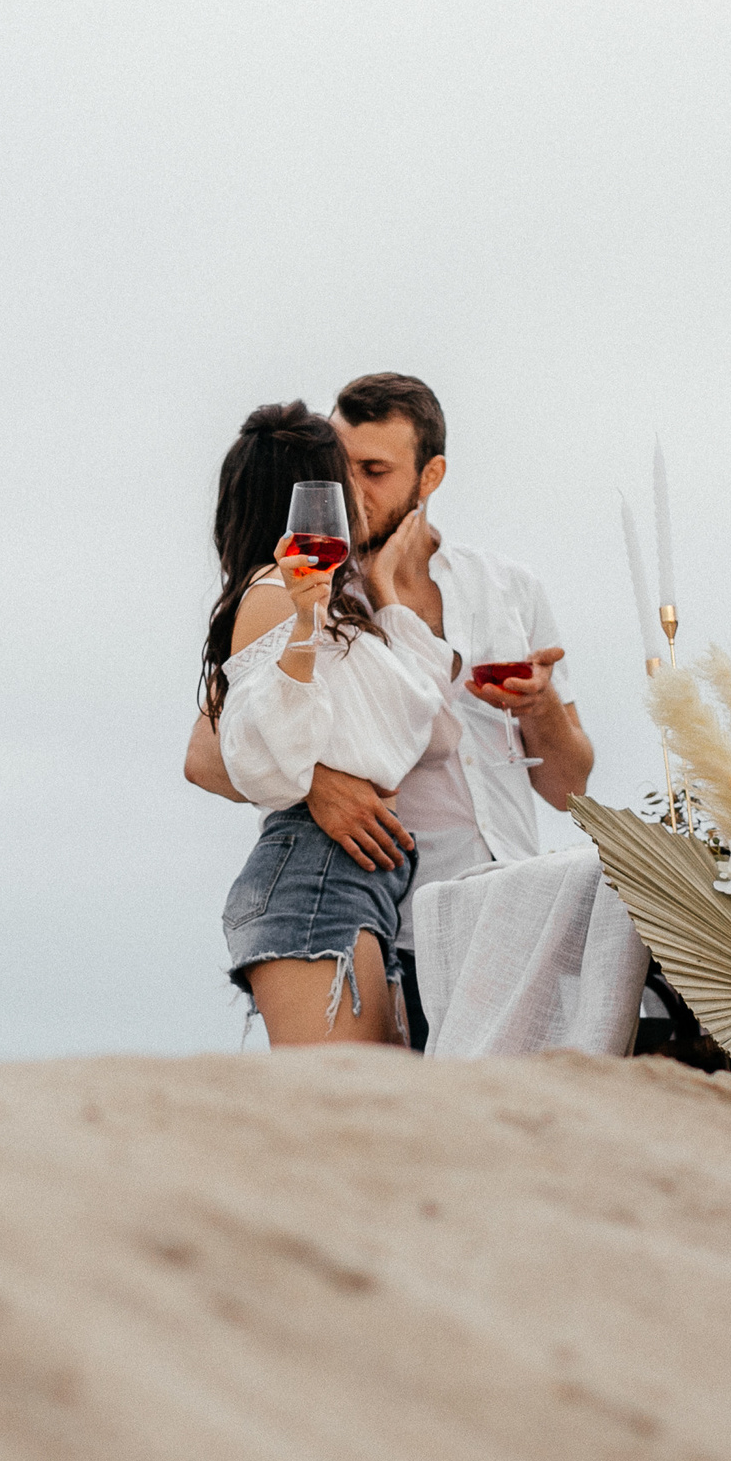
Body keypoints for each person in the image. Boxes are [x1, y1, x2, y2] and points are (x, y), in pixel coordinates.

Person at [186, 373, 594, 1051]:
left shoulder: (509, 590)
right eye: (343, 468)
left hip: (512, 908)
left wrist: (541, 703)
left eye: (375, 470)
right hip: (389, 916)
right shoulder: (312, 580)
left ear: (429, 474)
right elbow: (205, 753)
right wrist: (318, 785)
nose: (353, 491)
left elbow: (570, 786)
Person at [202, 400, 449, 1047]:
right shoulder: (274, 597)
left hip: (364, 882)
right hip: (315, 874)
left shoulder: (328, 604)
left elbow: (420, 711)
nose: (358, 499)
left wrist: (389, 584)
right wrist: (306, 629)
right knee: (348, 1111)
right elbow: (258, 756)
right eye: (345, 480)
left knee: (371, 1112)